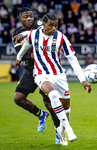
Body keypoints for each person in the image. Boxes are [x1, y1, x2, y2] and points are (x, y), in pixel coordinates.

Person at [16, 13, 91, 146]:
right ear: (43, 24)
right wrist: (18, 58)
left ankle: (60, 130)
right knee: (53, 94)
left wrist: (83, 80)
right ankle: (68, 130)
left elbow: (72, 59)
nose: (53, 28)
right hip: (41, 74)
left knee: (66, 109)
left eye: (56, 25)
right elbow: (26, 46)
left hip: (59, 75)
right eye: (51, 25)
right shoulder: (34, 34)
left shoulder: (61, 37)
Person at [12, 7, 62, 145]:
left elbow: (45, 31)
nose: (29, 18)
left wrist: (27, 35)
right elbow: (22, 54)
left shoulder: (39, 23)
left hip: (45, 70)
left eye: (31, 16)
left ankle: (59, 130)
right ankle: (41, 115)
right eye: (26, 16)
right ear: (20, 19)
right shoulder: (16, 34)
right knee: (18, 98)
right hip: (30, 70)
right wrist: (31, 52)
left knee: (50, 104)